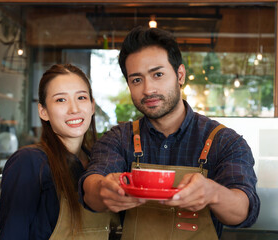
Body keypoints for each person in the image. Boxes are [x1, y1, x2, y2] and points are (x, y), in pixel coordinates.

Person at [79, 27, 260, 239]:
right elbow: (90, 188)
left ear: (180, 75)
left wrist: (213, 193)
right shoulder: (118, 139)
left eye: (158, 74)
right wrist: (103, 189)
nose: (148, 89)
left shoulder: (225, 141)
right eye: (137, 79)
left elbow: (244, 211)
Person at [0, 64, 116, 240]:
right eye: (61, 100)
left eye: (82, 97)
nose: (74, 109)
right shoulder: (29, 162)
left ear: (92, 106)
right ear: (43, 111)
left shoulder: (98, 163)